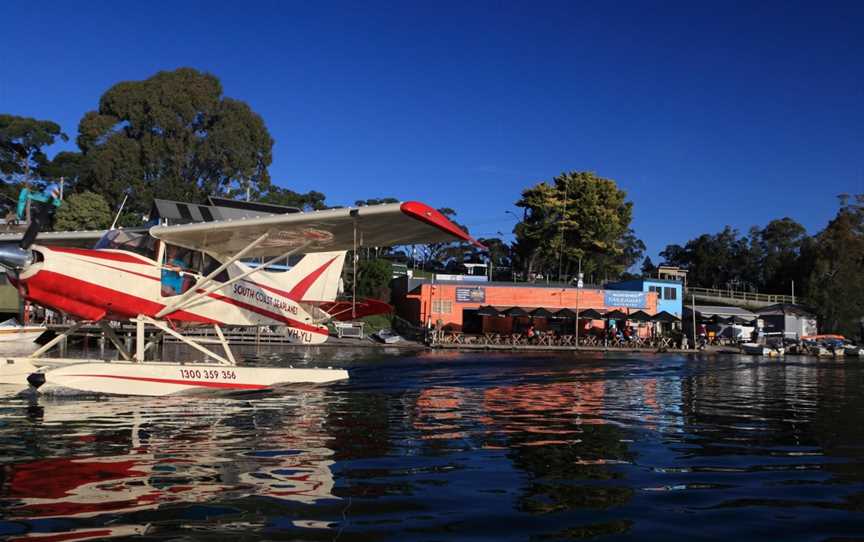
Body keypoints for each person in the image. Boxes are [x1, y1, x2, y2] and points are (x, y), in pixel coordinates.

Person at [19, 181, 62, 248]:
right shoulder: (45, 198)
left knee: (33, 230)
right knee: (33, 230)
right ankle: (24, 246)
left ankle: (24, 246)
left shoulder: (40, 197)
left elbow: (23, 199)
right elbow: (23, 199)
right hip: (40, 217)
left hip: (40, 217)